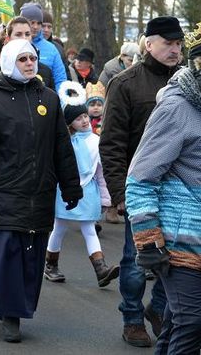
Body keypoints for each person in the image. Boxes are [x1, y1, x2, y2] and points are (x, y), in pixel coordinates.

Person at [126, 20, 201, 353]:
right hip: (175, 240)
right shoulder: (175, 108)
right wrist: (148, 240)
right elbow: (140, 179)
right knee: (190, 322)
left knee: (176, 324)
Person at [0, 39, 82, 343]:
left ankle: (16, 306)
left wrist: (71, 186)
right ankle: (10, 314)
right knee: (8, 252)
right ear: (7, 62)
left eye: (33, 58)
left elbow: (61, 146)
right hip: (2, 191)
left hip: (39, 192)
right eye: (22, 59)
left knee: (31, 256)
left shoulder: (49, 99)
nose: (30, 63)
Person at [99, 16, 184, 347]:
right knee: (137, 261)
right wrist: (120, 193)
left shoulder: (187, 81)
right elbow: (112, 142)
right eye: (168, 43)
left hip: (178, 188)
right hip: (140, 187)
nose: (175, 49)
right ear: (149, 44)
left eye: (179, 44)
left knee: (176, 259)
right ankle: (132, 317)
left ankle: (158, 308)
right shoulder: (126, 83)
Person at [44, 81, 118, 287]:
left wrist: (106, 197)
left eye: (85, 116)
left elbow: (101, 172)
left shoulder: (96, 141)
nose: (84, 120)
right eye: (78, 118)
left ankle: (100, 268)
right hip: (64, 191)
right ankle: (51, 265)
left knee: (89, 230)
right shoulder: (64, 142)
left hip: (88, 192)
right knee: (59, 228)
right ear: (69, 123)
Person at [0, 17, 54, 94]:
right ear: (8, 38)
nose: (24, 38)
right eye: (18, 34)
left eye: (27, 34)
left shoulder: (45, 71)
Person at [19, 2, 67, 91]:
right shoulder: (10, 45)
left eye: (39, 23)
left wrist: (62, 101)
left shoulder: (51, 49)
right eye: (32, 22)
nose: (36, 27)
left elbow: (60, 79)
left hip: (44, 101)